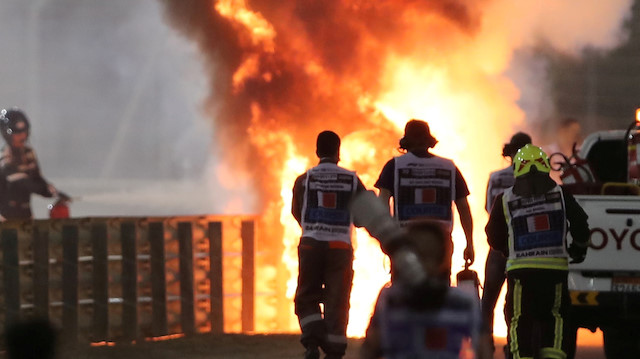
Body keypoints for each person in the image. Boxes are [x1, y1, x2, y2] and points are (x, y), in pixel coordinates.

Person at [486, 144, 589, 359]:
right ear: (545, 167)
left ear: (517, 169)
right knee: (556, 318)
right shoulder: (561, 194)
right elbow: (580, 222)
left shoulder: (504, 199)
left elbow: (493, 235)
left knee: (519, 320)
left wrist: (508, 250)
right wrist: (578, 249)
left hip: (521, 274)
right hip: (555, 273)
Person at [291, 130, 366, 359]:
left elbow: (297, 212)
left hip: (311, 246)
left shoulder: (304, 179)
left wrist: (315, 228)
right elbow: (362, 218)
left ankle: (312, 343)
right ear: (338, 151)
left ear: (317, 151)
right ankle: (334, 352)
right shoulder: (352, 180)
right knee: (338, 300)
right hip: (340, 249)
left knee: (306, 296)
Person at [360, 220, 482, 359]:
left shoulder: (464, 305)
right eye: (417, 255)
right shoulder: (389, 301)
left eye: (428, 256)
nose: (421, 263)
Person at [374, 119, 474, 277]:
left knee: (404, 294)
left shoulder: (394, 166)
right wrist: (469, 243)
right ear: (429, 140)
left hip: (405, 241)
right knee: (438, 293)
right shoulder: (449, 167)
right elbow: (463, 207)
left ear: (406, 141)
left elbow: (382, 203)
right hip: (441, 242)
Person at [481, 132, 531, 354]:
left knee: (488, 298)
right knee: (517, 301)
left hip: (498, 246)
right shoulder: (536, 180)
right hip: (525, 247)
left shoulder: (496, 177)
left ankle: (485, 344)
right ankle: (514, 344)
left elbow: (488, 208)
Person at [0, 108, 60, 220]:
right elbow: (18, 180)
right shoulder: (3, 155)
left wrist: (52, 191)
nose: (22, 137)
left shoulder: (29, 153)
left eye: (24, 132)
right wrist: (40, 187)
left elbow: (36, 178)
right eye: (17, 134)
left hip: (26, 213)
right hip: (5, 216)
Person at [543, 117, 582, 184]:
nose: (573, 135)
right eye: (571, 131)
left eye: (576, 132)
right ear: (562, 131)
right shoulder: (549, 152)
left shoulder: (581, 152)